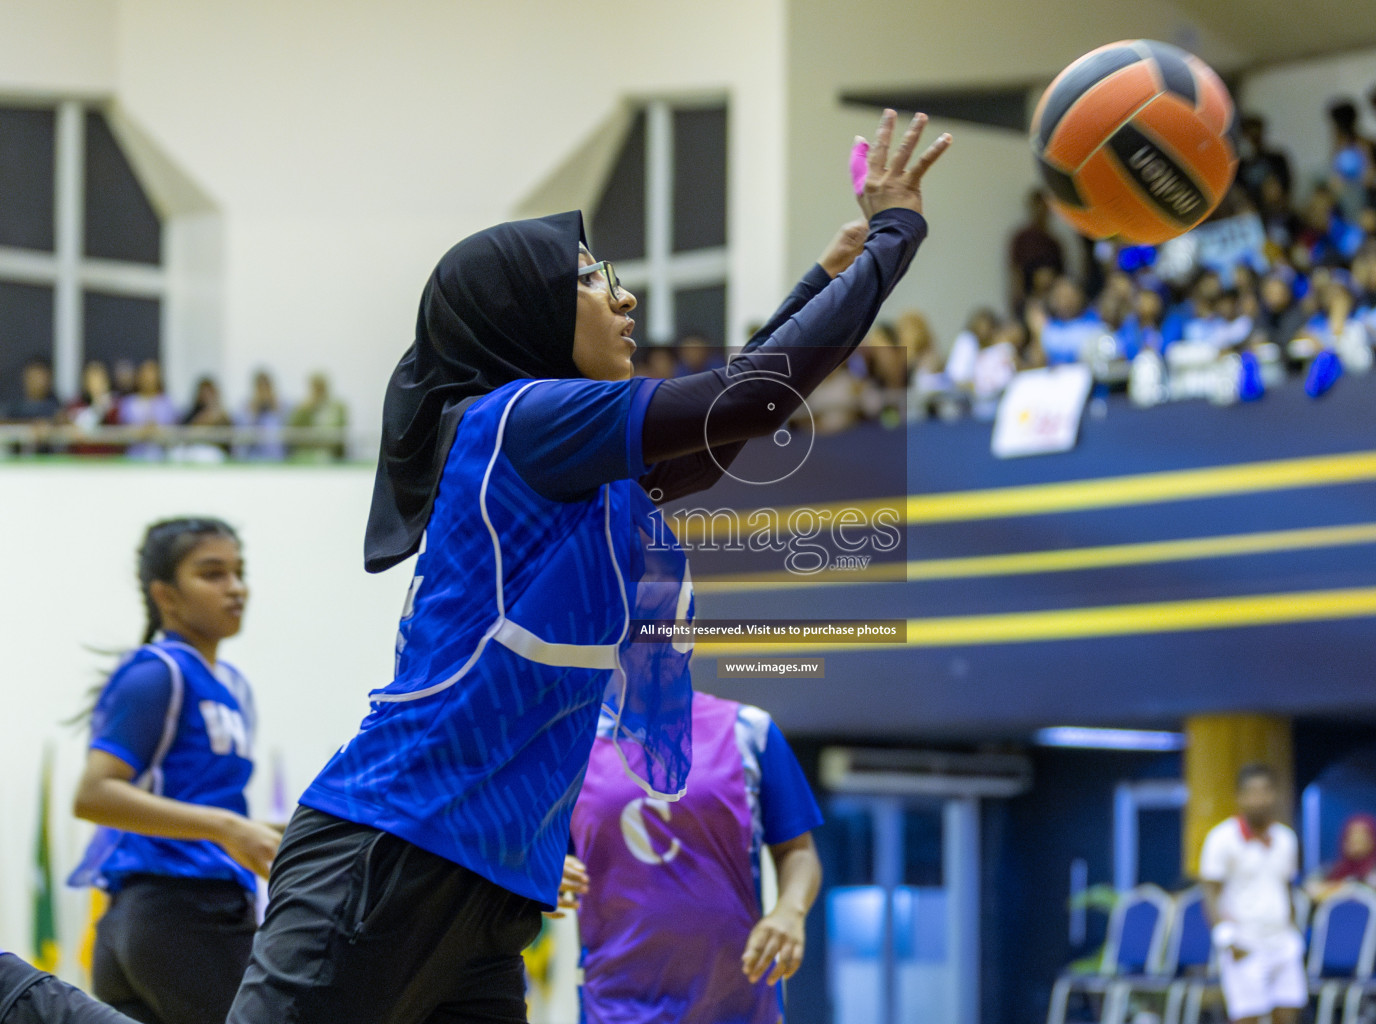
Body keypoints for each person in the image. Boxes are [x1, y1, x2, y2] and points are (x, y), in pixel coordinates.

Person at [0, 103, 952, 1024]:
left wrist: (827, 282)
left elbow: (720, 430)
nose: (623, 296)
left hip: (490, 882)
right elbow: (734, 404)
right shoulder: (521, 421)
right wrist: (892, 239)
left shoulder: (582, 467)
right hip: (395, 845)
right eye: (589, 278)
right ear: (523, 316)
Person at [68, 518, 282, 1024]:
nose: (235, 588)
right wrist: (228, 828)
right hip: (179, 910)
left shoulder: (231, 685)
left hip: (162, 921)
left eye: (238, 572)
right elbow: (94, 794)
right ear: (165, 595)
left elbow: (214, 808)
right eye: (212, 574)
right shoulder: (156, 672)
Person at [564, 691, 824, 1023]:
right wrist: (545, 873)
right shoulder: (572, 743)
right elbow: (537, 851)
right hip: (615, 1005)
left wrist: (790, 911)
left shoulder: (747, 729)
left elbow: (797, 850)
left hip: (737, 1002)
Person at [1199, 764, 1307, 1024]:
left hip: (1282, 941)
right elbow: (1210, 894)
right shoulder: (1221, 838)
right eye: (1252, 792)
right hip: (1244, 942)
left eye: (1265, 791)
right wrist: (1227, 939)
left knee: (1288, 1014)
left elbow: (1287, 888)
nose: (1259, 799)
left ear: (1275, 795)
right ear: (1240, 797)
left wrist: (1293, 932)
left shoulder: (1286, 839)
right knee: (1248, 1018)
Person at [1306, 813, 1376, 903]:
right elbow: (1310, 886)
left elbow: (1369, 890)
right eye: (1351, 836)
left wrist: (1342, 888)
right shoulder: (1334, 869)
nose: (1355, 840)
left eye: (1361, 836)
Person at [1008, 189, 1064, 318]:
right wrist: (1019, 301)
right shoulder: (1022, 239)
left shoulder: (1054, 243)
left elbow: (1061, 275)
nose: (1041, 212)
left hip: (1053, 303)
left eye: (1045, 208)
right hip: (1029, 301)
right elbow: (1017, 273)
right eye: (1038, 207)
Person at [115, 361, 179, 461]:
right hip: (134, 457)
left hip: (160, 457)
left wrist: (155, 431)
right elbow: (121, 431)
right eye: (145, 375)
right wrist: (142, 433)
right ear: (139, 377)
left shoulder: (166, 402)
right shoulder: (128, 402)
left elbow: (173, 431)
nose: (148, 379)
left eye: (152, 375)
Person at [286, 372, 348, 462]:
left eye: (321, 387)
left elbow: (340, 434)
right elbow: (294, 432)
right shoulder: (302, 409)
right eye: (316, 388)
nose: (319, 391)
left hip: (331, 455)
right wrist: (306, 410)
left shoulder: (338, 408)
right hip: (307, 454)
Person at [234, 370, 286, 461]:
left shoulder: (280, 407)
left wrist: (275, 410)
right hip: (252, 458)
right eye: (260, 388)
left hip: (275, 458)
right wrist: (254, 413)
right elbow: (242, 439)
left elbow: (281, 437)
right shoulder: (246, 408)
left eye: (266, 388)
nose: (263, 393)